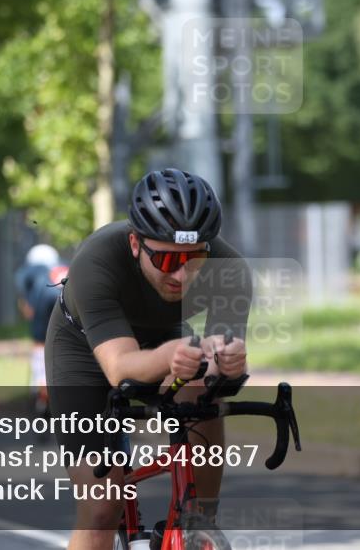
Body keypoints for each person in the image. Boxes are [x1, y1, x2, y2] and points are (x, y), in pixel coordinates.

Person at [45, 168, 251, 550]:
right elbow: (119, 368)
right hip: (85, 348)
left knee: (204, 388)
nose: (184, 275)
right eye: (169, 261)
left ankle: (199, 520)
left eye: (195, 259)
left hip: (161, 338)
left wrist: (228, 362)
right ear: (136, 244)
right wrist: (173, 353)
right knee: (102, 510)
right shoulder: (97, 260)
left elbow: (220, 360)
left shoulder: (230, 269)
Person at [14, 243, 67, 408]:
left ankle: (41, 387)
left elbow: (23, 289)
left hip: (42, 303)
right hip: (64, 301)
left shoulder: (32, 270)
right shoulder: (63, 266)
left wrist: (27, 305)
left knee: (40, 342)